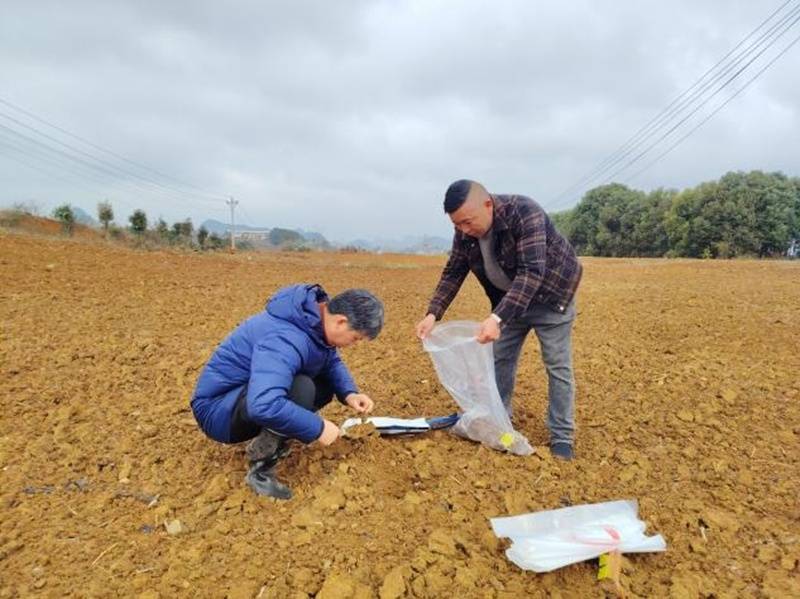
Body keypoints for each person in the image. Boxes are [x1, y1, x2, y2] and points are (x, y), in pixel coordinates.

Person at [415, 180, 582, 460]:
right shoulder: (465, 231)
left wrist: (497, 317)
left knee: (557, 365)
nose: (464, 230)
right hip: (510, 302)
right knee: (499, 359)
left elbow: (531, 273)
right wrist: (433, 313)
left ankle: (562, 436)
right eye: (457, 225)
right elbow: (454, 271)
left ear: (488, 204)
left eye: (468, 222)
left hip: (552, 299)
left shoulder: (524, 212)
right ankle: (499, 418)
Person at [191, 284, 383, 499]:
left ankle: (278, 431)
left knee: (322, 384)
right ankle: (261, 468)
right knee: (300, 388)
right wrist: (318, 427)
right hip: (218, 412)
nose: (354, 344)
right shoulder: (285, 337)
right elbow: (264, 404)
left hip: (242, 398)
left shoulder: (314, 322)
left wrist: (350, 393)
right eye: (356, 338)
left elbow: (329, 359)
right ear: (341, 321)